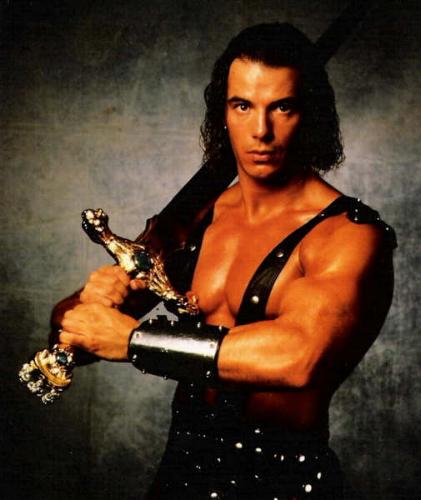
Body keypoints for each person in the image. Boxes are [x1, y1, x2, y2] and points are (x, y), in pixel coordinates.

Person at [57, 23, 396, 499]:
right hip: (179, 475)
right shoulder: (196, 222)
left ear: (311, 114)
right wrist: (94, 303)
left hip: (285, 484)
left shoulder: (349, 234)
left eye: (282, 106)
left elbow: (298, 357)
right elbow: (71, 335)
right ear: (223, 113)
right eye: (243, 106)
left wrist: (133, 340)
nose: (261, 130)